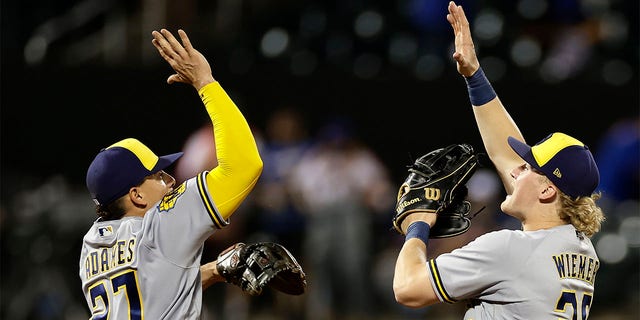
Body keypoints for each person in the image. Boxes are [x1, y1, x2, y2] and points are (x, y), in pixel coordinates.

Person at [392, 2, 606, 319]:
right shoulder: (580, 248)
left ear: (548, 191)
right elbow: (507, 155)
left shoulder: (509, 250)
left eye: (529, 167)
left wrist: (417, 226)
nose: (516, 170)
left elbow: (408, 289)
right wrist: (474, 75)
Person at [79, 29, 263, 319]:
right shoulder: (160, 224)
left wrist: (214, 270)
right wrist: (205, 81)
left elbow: (157, 289)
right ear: (136, 195)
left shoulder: (92, 244)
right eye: (158, 176)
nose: (170, 180)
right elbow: (244, 165)